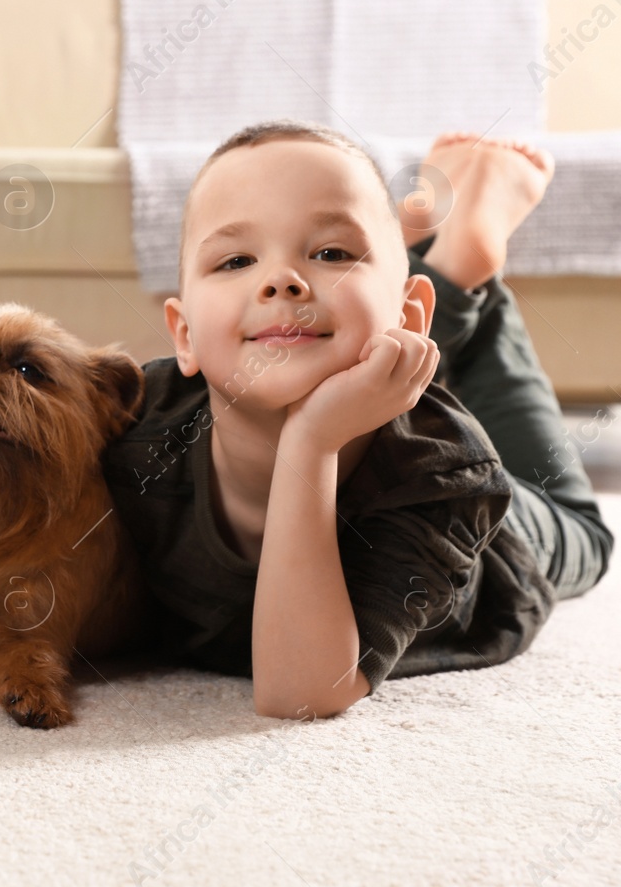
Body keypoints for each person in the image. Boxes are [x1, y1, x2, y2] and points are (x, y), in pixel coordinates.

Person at [99, 121, 613, 719]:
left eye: (331, 253)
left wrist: (312, 442)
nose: (279, 279)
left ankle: (468, 255)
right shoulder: (141, 423)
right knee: (344, 337)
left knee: (587, 537)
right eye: (237, 259)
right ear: (183, 336)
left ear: (410, 314)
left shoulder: (448, 474)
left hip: (499, 540)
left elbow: (302, 692)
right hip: (380, 348)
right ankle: (418, 254)